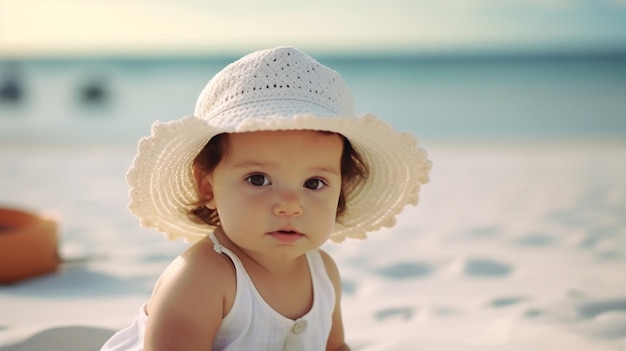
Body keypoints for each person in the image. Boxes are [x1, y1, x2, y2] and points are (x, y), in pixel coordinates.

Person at [101, 46, 431, 351]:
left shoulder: (323, 273)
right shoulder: (202, 277)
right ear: (207, 187)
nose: (290, 204)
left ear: (341, 188)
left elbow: (334, 347)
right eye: (258, 179)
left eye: (314, 183)